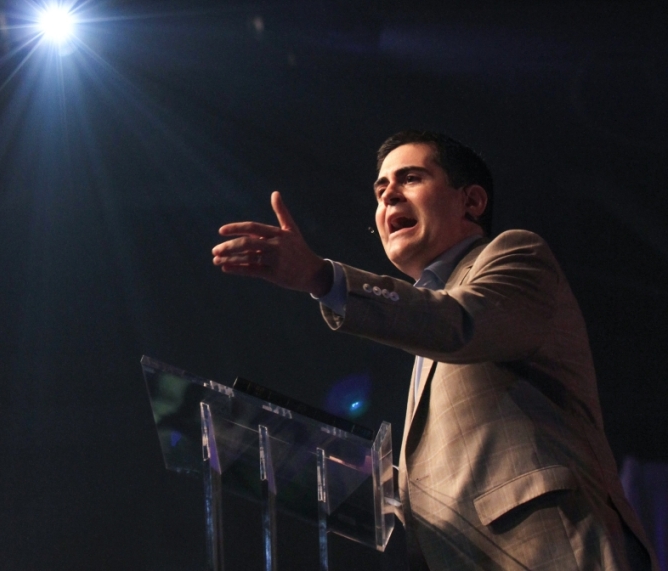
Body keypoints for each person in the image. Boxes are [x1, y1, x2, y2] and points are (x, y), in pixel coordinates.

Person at [211, 130, 656, 571]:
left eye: (410, 179)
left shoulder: (515, 255)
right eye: (381, 190)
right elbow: (438, 485)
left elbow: (460, 323)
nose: (388, 199)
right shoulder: (424, 334)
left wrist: (322, 277)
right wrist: (298, 465)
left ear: (472, 202)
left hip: (551, 551)